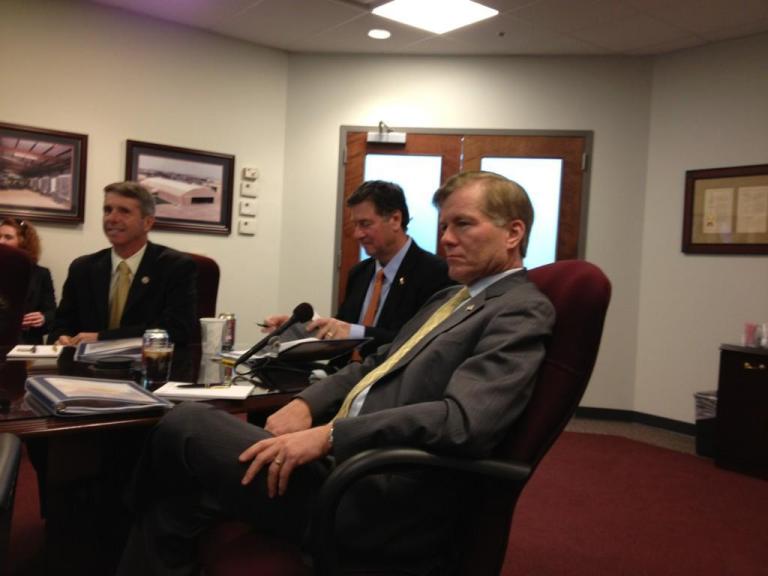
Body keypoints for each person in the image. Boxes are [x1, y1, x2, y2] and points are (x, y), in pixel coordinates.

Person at [116, 171, 555, 576]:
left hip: (374, 490)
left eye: (463, 225)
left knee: (185, 421)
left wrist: (330, 435)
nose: (446, 240)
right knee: (171, 509)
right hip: (343, 462)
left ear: (513, 232)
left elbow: (463, 422)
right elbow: (377, 360)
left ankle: (108, 515)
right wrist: (307, 403)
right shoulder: (450, 298)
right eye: (443, 227)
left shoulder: (519, 309)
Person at [263, 180, 453, 360]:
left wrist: (355, 332)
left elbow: (418, 343)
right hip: (339, 380)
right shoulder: (359, 273)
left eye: (365, 224)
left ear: (395, 219)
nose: (357, 234)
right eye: (355, 225)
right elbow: (341, 328)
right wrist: (297, 326)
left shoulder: (435, 273)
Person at [48, 181, 197, 346]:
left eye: (124, 211)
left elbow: (177, 329)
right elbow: (60, 325)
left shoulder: (175, 266)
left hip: (149, 366)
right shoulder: (82, 268)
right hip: (87, 368)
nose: (112, 218)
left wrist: (102, 338)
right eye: (108, 210)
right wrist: (62, 338)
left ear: (147, 222)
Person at [0, 217, 56, 344]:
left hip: (28, 343)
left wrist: (42, 318)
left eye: (8, 237)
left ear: (23, 242)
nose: (1, 241)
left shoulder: (41, 274)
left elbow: (52, 312)